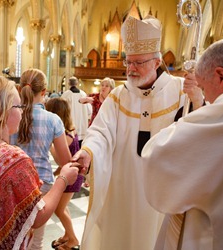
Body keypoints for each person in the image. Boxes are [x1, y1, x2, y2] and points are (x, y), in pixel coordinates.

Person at [71, 15, 204, 249]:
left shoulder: (181, 93)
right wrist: (88, 152)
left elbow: (197, 134)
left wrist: (197, 100)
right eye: (128, 62)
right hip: (122, 191)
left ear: (157, 62)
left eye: (138, 62)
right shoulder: (118, 97)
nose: (131, 69)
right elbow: (101, 132)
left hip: (160, 196)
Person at [141, 38, 223, 250]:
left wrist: (198, 107)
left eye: (205, 90)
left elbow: (156, 154)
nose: (208, 100)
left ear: (220, 75)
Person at [0, 75, 80, 249]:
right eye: (18, 106)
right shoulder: (12, 157)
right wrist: (63, 179)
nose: (23, 111)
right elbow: (37, 217)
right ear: (1, 112)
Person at [10, 68, 72, 250]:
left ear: (20, 89)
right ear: (44, 92)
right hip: (42, 182)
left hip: (14, 183)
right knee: (36, 239)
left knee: (15, 235)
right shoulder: (53, 120)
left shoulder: (11, 115)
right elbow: (65, 161)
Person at [45, 98, 83, 250]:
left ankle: (73, 239)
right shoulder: (70, 130)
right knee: (63, 207)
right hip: (72, 174)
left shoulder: (65, 136)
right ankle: (68, 235)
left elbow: (62, 161)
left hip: (72, 177)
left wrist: (50, 146)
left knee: (58, 209)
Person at [61, 76, 92, 147]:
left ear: (68, 83)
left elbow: (61, 110)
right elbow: (89, 111)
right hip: (82, 125)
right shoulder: (83, 94)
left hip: (70, 127)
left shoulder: (65, 95)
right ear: (77, 83)